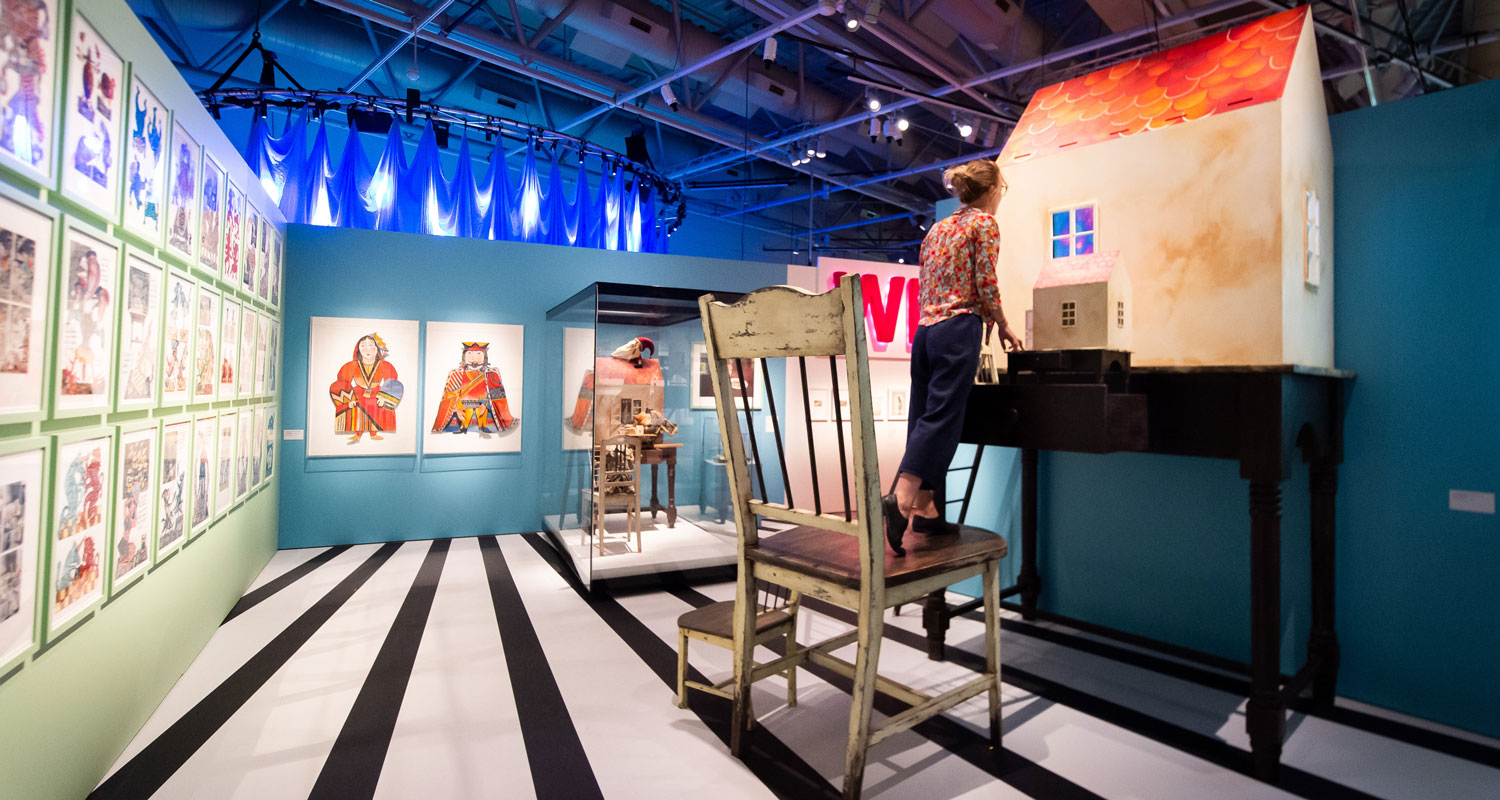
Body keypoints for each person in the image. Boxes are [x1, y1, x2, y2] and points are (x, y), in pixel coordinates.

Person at [883, 159, 1022, 556]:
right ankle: (904, 497)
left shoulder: (938, 229)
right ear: (993, 190)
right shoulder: (985, 224)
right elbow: (985, 282)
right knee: (943, 416)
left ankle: (927, 508)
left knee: (922, 413)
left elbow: (927, 283)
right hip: (958, 328)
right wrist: (1004, 324)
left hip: (925, 332)